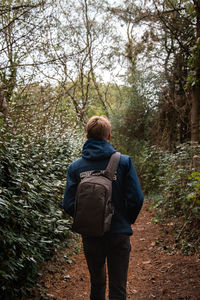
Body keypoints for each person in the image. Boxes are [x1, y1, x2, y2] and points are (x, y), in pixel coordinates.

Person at [62, 115, 144, 300]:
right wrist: (124, 220)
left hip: (91, 235)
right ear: (109, 136)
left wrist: (88, 218)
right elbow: (136, 199)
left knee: (97, 284)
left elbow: (68, 203)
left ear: (87, 137)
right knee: (118, 288)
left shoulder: (75, 167)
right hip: (119, 234)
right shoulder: (123, 162)